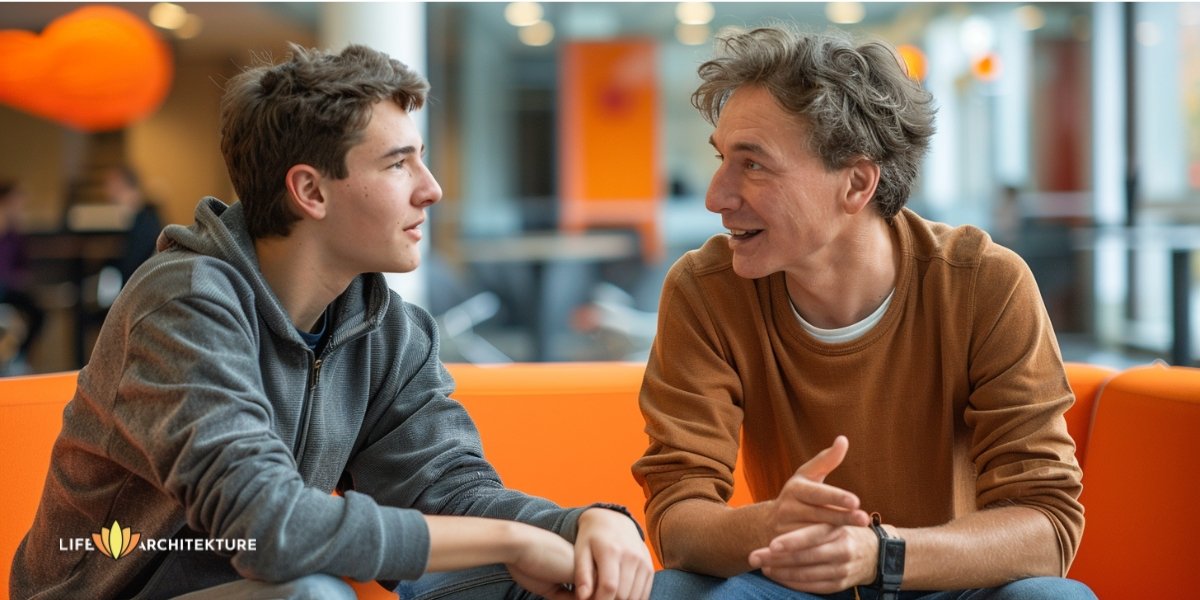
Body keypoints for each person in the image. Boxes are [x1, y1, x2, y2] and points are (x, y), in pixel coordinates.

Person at [11, 43, 651, 600]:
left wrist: (579, 525)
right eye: (399, 163)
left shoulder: (385, 328)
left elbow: (444, 486)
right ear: (310, 192)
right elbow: (265, 527)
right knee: (311, 595)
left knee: (571, 583)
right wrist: (517, 540)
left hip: (267, 587)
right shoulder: (182, 303)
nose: (430, 189)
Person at [632, 25, 1093, 599]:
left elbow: (1047, 526)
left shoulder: (982, 284)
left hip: (947, 577)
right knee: (670, 590)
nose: (715, 195)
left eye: (752, 165)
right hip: (792, 580)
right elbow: (677, 515)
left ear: (855, 183)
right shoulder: (705, 291)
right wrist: (772, 526)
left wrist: (882, 555)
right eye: (723, 158)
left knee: (1052, 598)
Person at [0, 180, 45, 374]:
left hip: (10, 289)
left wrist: (20, 279)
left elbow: (22, 265)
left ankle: (19, 358)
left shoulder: (15, 235)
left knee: (38, 312)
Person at [101, 164, 164, 285]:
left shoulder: (148, 220)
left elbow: (133, 264)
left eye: (115, 189)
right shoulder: (125, 223)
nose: (109, 196)